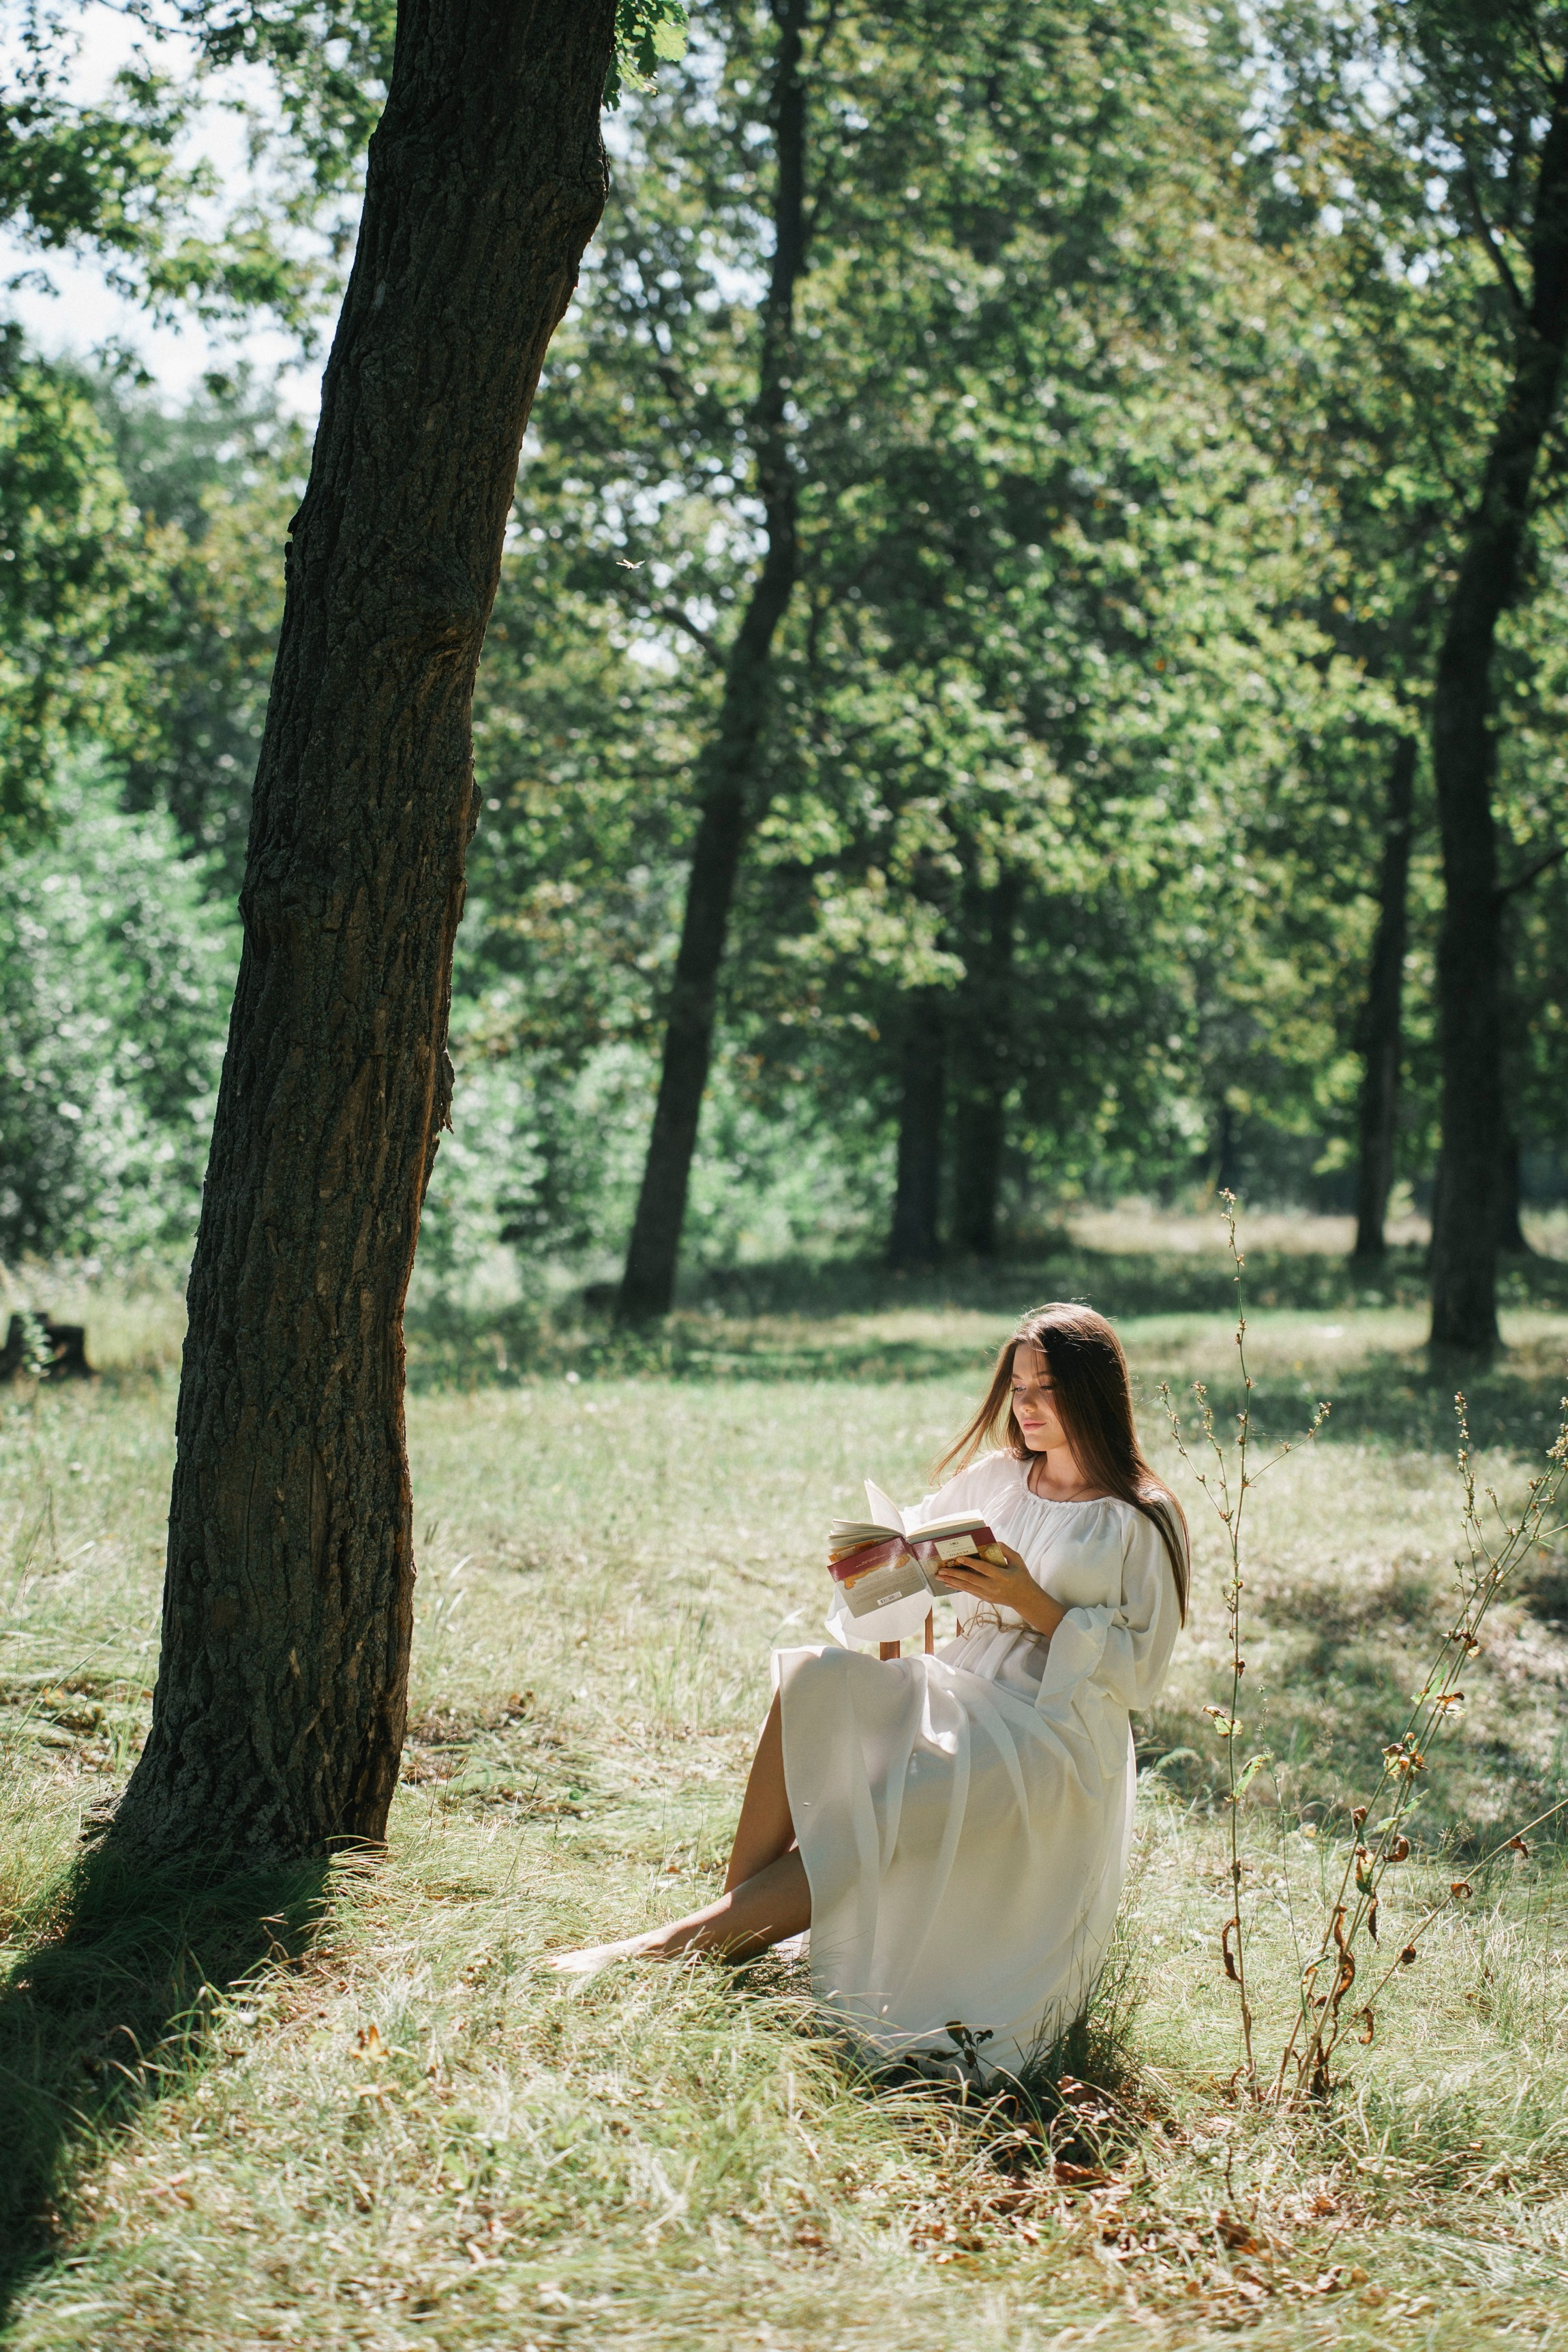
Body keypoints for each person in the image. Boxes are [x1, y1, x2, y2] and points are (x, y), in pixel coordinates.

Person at [549, 1302, 1188, 2075]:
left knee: (889, 1803)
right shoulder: (995, 1478)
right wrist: (897, 1567)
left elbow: (1142, 1674)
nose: (1024, 1406)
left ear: (1093, 1391)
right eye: (1016, 1386)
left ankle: (666, 1949)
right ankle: (728, 1932)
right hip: (963, 1680)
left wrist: (1032, 1604)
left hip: (1053, 1730)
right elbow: (893, 1575)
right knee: (812, 1679)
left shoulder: (1137, 1516)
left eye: (1045, 1387)